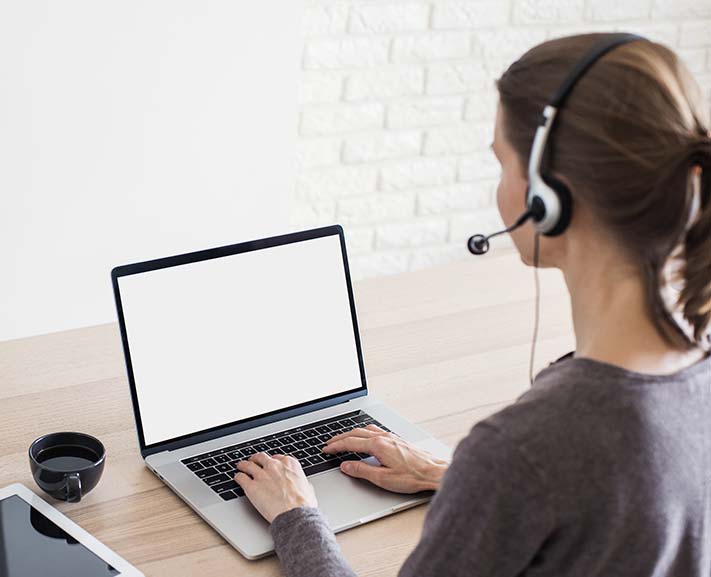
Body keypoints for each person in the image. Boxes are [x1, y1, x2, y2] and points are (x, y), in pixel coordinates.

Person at [233, 32, 711, 576]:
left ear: (548, 199)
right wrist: (451, 474)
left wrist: (296, 517)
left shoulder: (521, 452)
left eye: (502, 163)